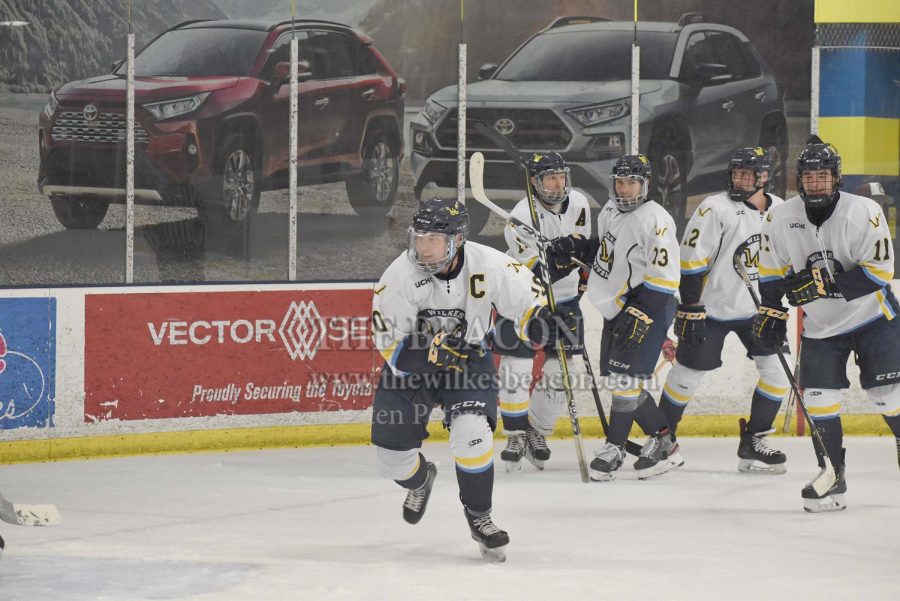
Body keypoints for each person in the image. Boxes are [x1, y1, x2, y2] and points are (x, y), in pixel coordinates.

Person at [370, 197, 575, 560]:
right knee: (391, 461)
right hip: (412, 369)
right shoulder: (398, 277)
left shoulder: (489, 263)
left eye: (434, 239)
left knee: (473, 433)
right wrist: (430, 351)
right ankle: (421, 480)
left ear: (458, 240)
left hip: (467, 361)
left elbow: (526, 303)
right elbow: (390, 345)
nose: (424, 247)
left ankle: (481, 518)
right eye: (419, 238)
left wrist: (544, 321)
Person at [755, 140, 900, 512]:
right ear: (799, 180)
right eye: (809, 177)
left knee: (888, 397)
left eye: (823, 177)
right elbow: (771, 271)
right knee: (820, 401)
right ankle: (832, 474)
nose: (816, 184)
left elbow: (881, 272)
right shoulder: (780, 217)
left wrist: (821, 284)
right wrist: (772, 312)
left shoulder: (863, 211)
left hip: (873, 319)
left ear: (836, 178)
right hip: (821, 326)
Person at [549, 154, 682, 481]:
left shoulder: (656, 220)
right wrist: (576, 248)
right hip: (618, 304)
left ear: (646, 184)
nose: (624, 189)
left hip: (649, 305)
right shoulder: (610, 210)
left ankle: (615, 447)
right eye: (620, 182)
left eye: (632, 182)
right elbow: (607, 251)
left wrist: (642, 312)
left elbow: (664, 278)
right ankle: (664, 439)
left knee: (625, 382)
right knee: (619, 380)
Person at [658, 147, 789, 473]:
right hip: (710, 310)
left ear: (763, 178)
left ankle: (754, 442)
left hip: (758, 312)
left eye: (748, 174)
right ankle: (662, 438)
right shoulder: (714, 208)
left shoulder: (782, 210)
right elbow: (691, 263)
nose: (740, 180)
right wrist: (690, 307)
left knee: (778, 375)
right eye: (736, 173)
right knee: (687, 375)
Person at [494, 151, 591, 471]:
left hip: (564, 301)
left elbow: (583, 250)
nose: (558, 183)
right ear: (534, 183)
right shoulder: (520, 216)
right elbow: (535, 273)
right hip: (521, 299)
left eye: (561, 176)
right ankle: (515, 432)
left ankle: (536, 429)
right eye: (550, 177)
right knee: (517, 363)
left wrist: (576, 260)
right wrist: (558, 259)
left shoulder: (578, 202)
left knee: (565, 374)